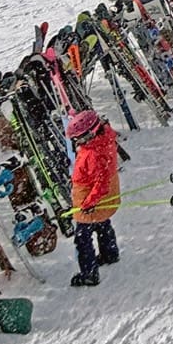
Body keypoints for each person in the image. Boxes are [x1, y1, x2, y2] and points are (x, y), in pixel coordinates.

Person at [66, 109, 120, 287]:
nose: (78, 143)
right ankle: (110, 253)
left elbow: (101, 183)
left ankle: (89, 273)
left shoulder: (94, 153)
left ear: (90, 133)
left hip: (91, 196)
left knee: (83, 236)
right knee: (102, 223)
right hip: (101, 197)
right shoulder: (104, 140)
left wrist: (89, 203)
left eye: (80, 139)